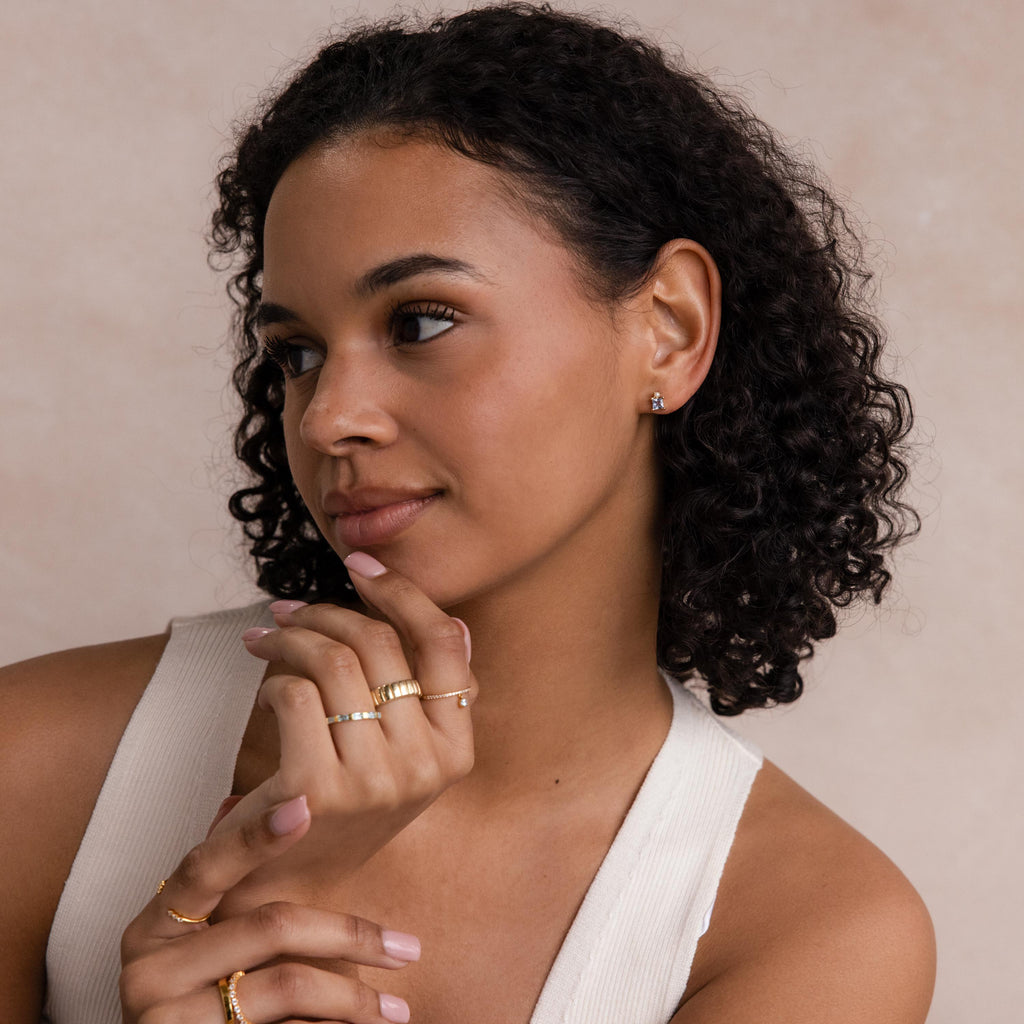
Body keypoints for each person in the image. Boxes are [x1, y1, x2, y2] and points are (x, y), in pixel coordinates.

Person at [1, 4, 936, 1022]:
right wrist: (273, 890)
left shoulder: (811, 930)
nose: (329, 420)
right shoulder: (37, 765)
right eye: (297, 354)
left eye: (421, 321)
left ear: (667, 330)